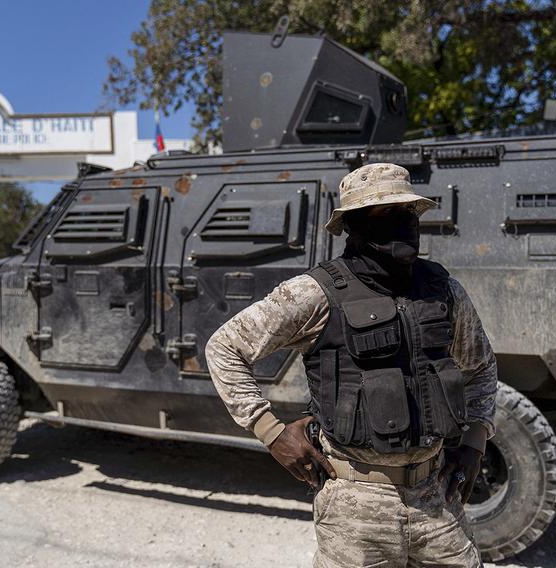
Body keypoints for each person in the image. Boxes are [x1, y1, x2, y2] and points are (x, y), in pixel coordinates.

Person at [205, 163, 498, 567]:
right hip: (354, 505)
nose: (404, 223)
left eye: (409, 212)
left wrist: (475, 442)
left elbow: (480, 367)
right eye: (387, 213)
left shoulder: (443, 290)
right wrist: (270, 432)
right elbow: (224, 347)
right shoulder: (315, 293)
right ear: (354, 225)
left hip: (437, 498)